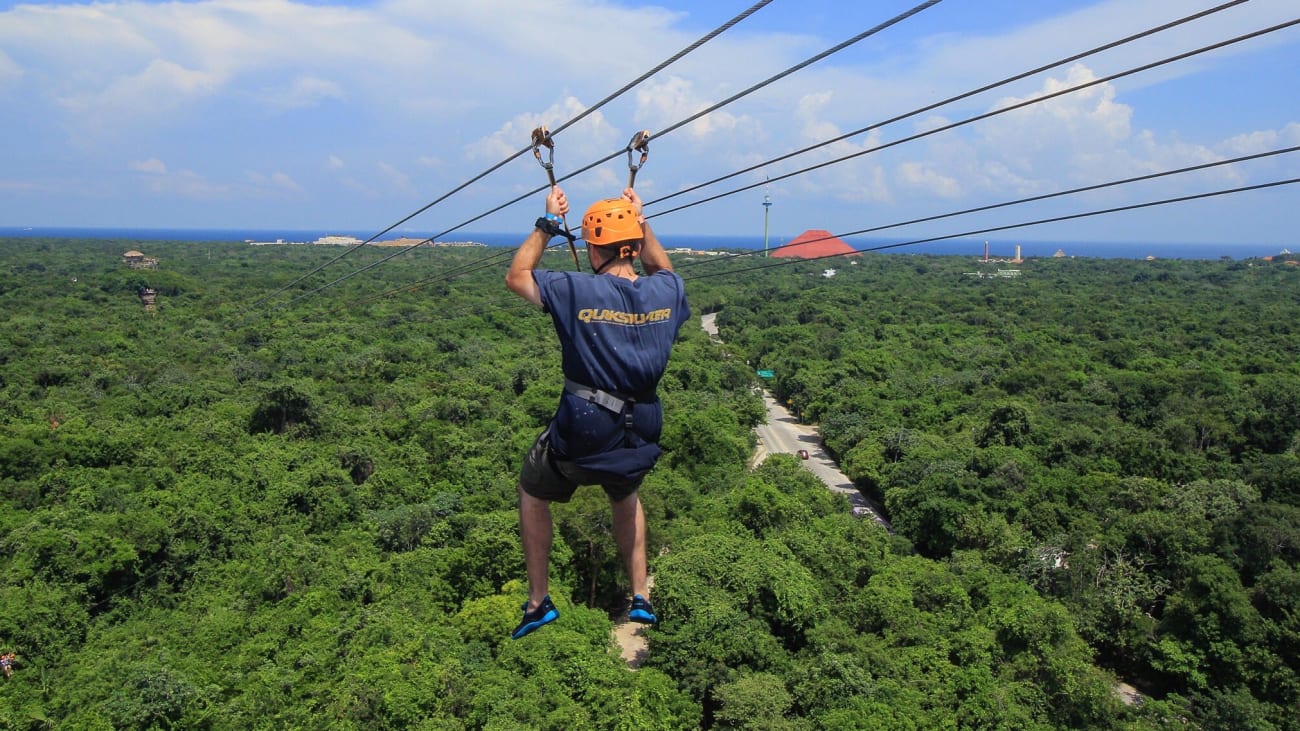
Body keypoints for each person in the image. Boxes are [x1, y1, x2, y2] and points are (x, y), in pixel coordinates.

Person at [505, 184, 690, 639]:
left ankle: (537, 601)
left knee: (533, 490)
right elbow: (660, 267)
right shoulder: (666, 291)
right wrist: (640, 220)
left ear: (592, 248)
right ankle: (640, 595)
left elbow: (518, 276)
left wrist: (548, 223)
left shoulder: (574, 288)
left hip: (586, 424)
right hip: (642, 425)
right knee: (625, 497)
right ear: (633, 242)